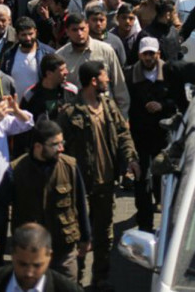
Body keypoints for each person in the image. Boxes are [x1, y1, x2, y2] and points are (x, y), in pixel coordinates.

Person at [58, 61, 139, 289]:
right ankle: (76, 282)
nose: (108, 80)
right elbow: (58, 147)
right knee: (79, 237)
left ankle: (100, 282)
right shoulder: (70, 113)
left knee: (104, 238)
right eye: (105, 76)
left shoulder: (108, 105)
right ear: (94, 81)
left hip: (105, 184)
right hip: (79, 187)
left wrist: (130, 159)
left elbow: (123, 133)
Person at [0, 120, 91, 280]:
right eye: (55, 144)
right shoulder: (15, 171)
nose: (61, 148)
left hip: (63, 250)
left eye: (62, 142)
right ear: (38, 147)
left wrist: (86, 237)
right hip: (30, 254)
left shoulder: (70, 166)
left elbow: (80, 203)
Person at [127, 37, 180, 231]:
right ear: (140, 54)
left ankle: (162, 208)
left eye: (152, 53)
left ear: (158, 54)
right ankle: (145, 222)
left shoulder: (170, 72)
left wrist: (162, 105)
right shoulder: (130, 75)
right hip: (139, 134)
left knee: (163, 175)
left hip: (162, 134)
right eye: (145, 53)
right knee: (142, 177)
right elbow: (125, 102)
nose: (149, 57)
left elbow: (178, 100)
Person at [0, 223, 84, 292]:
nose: (29, 273)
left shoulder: (68, 289)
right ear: (13, 255)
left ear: (49, 257)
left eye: (37, 265)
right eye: (22, 264)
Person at [57, 13, 129, 117]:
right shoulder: (61, 56)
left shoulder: (105, 51)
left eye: (82, 29)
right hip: (76, 118)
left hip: (105, 114)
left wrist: (123, 116)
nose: (79, 33)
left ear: (88, 27)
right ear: (67, 31)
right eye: (74, 30)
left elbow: (119, 86)